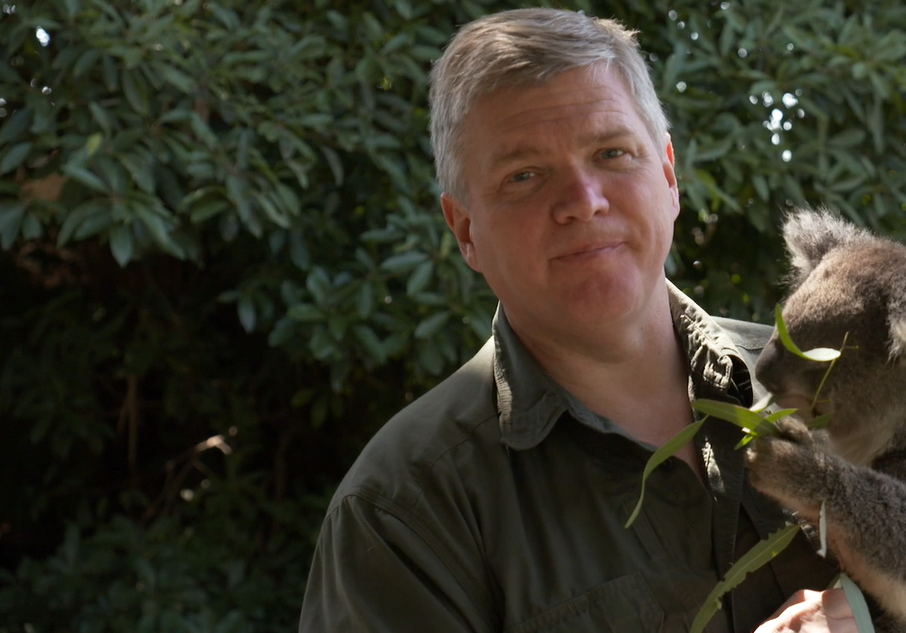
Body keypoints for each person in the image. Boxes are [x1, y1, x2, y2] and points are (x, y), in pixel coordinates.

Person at [299, 8, 860, 632]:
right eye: (524, 176)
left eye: (611, 152)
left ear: (668, 176)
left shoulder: (841, 390)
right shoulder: (405, 511)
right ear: (465, 231)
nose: (582, 202)